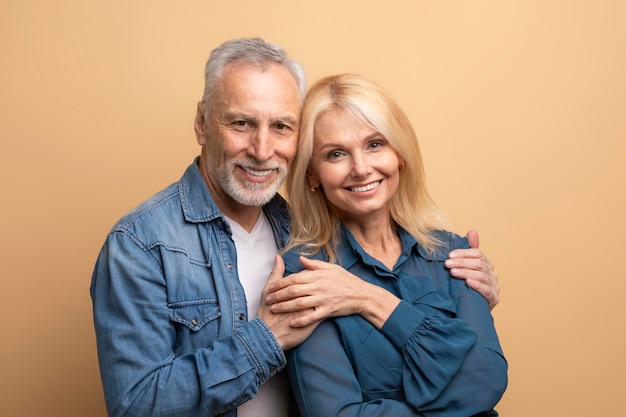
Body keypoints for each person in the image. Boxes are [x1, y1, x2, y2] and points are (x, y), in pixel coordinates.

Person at [90, 38, 501, 417]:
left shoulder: (304, 233)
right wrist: (265, 339)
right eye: (241, 124)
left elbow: (480, 377)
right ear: (201, 123)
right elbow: (136, 405)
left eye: (282, 126)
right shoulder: (142, 244)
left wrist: (466, 297)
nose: (262, 150)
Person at [280, 73, 508, 416]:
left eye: (375, 144)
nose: (361, 168)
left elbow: (487, 381)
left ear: (399, 153)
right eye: (336, 154)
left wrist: (371, 299)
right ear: (312, 175)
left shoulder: (453, 253)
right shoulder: (307, 275)